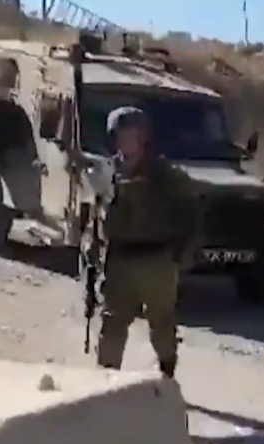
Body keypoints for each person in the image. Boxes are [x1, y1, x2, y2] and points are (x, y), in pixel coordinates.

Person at [94, 106, 202, 378]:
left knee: (162, 324)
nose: (126, 141)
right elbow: (96, 212)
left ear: (143, 137)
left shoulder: (164, 173)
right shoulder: (107, 171)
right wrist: (92, 249)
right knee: (112, 323)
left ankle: (166, 376)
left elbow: (193, 211)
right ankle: (105, 381)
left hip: (157, 259)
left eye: (132, 135)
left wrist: (183, 253)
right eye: (121, 136)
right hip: (119, 260)